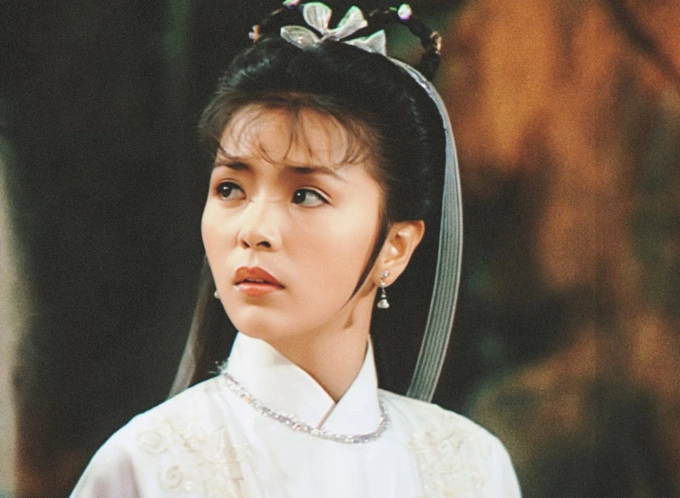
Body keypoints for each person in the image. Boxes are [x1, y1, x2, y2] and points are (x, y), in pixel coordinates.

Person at [71, 2, 522, 496]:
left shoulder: (469, 466)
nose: (254, 230)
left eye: (306, 195)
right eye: (230, 189)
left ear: (395, 247)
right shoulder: (148, 466)